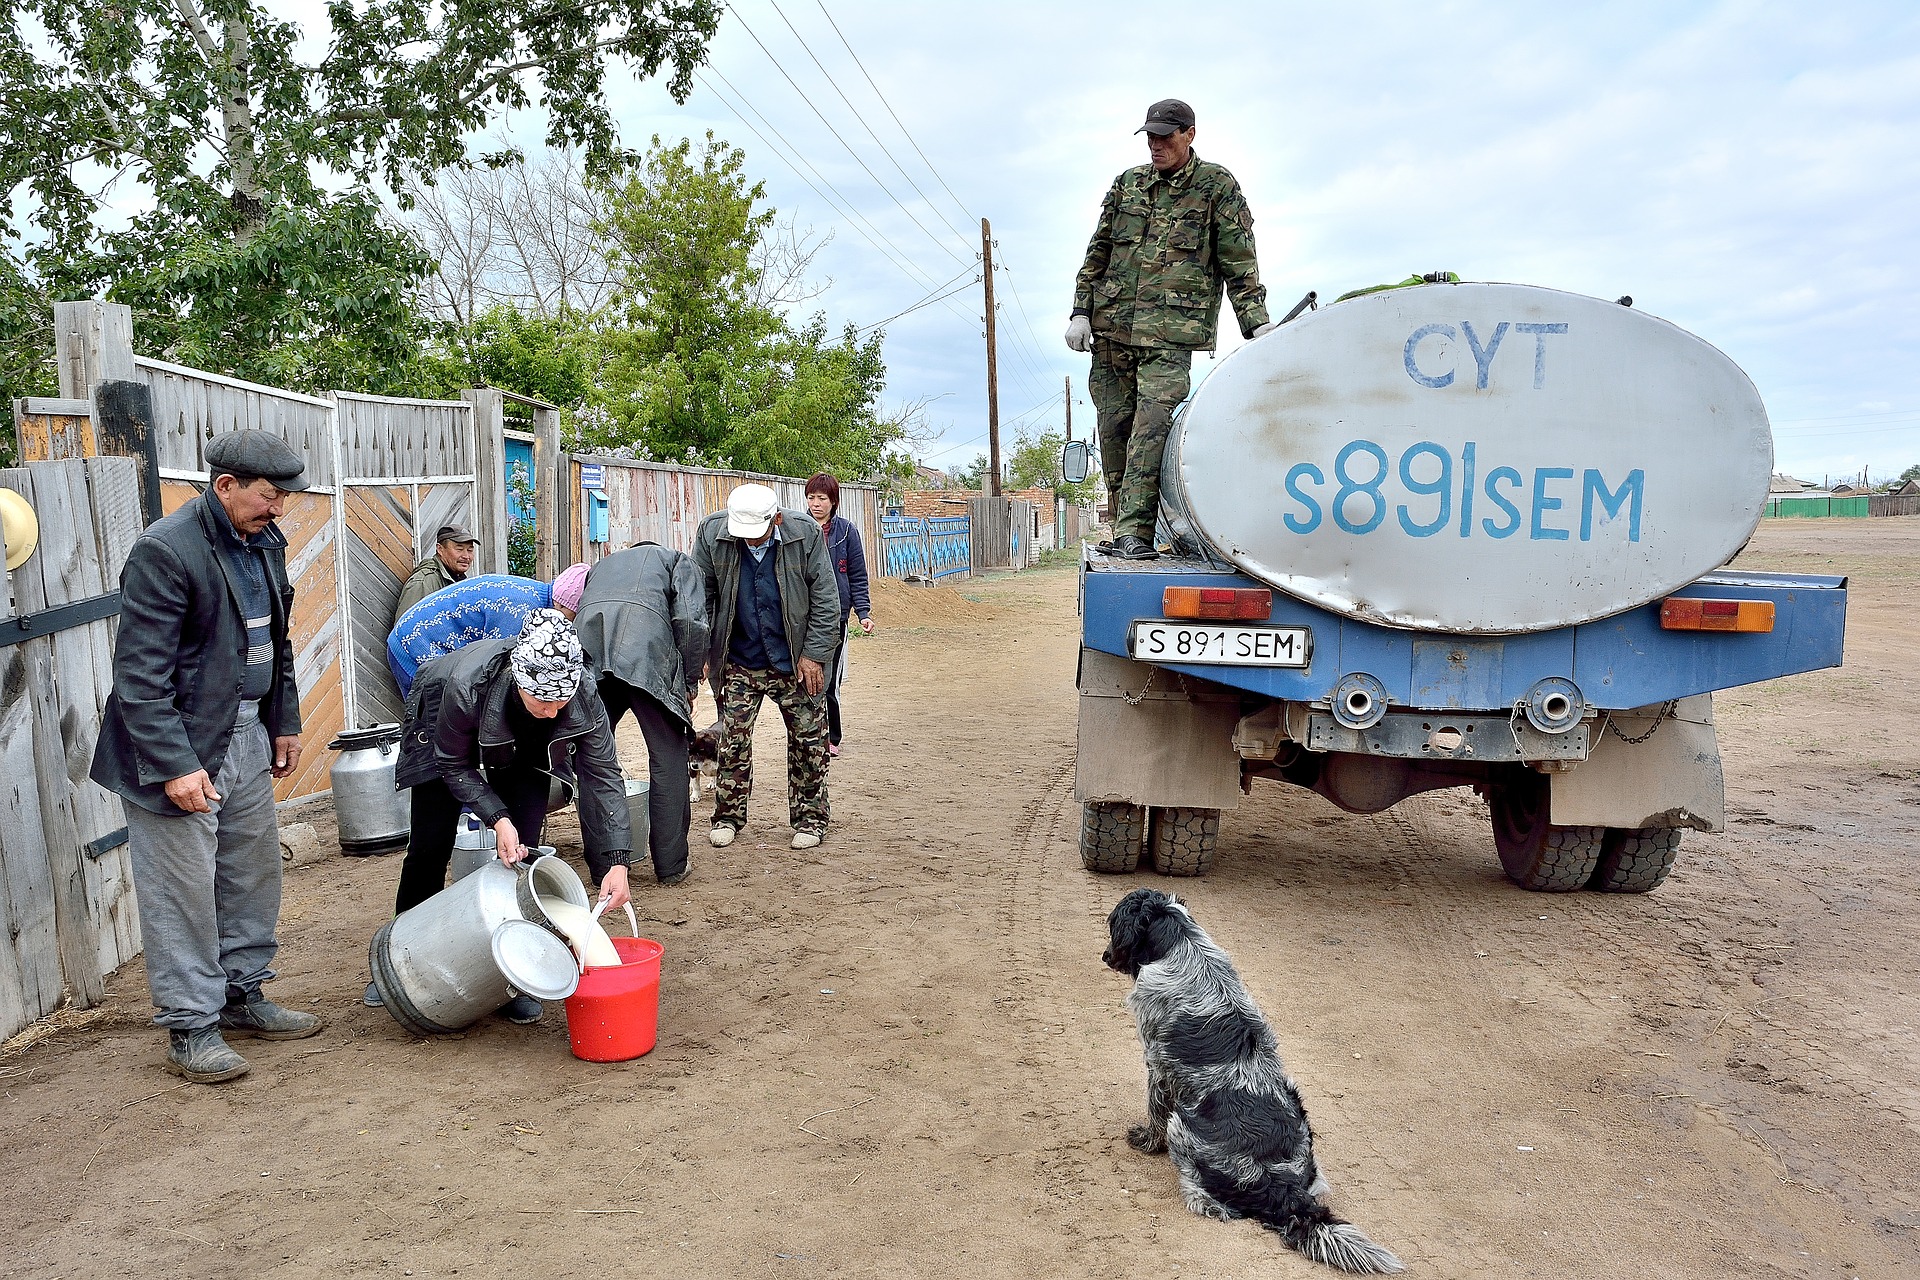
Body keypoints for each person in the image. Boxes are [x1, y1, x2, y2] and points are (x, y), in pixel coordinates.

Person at [91, 429, 322, 1083]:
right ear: (225, 486)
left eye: (282, 497)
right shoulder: (166, 551)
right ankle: (191, 1028)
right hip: (181, 746)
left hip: (247, 732)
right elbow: (139, 678)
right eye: (269, 495)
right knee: (180, 892)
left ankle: (242, 997)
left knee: (252, 876)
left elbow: (276, 644)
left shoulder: (263, 542)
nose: (279, 508)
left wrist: (284, 721)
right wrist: (174, 764)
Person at [378, 610, 632, 1023]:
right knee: (429, 844)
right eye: (543, 700)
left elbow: (603, 778)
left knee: (522, 856)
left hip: (522, 752)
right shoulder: (464, 688)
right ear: (519, 679)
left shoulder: (583, 696)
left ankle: (515, 974)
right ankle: (401, 952)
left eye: (560, 701)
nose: (552, 711)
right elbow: (453, 765)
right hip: (441, 725)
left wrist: (616, 860)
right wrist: (496, 816)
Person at [1067, 98, 1276, 560]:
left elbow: (1239, 263)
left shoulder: (1216, 187)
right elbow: (1097, 252)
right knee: (1114, 431)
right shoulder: (1128, 184)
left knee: (1151, 428)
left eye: (1166, 136)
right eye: (1151, 137)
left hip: (1170, 337)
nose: (1156, 145)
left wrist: (1257, 327)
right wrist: (1080, 311)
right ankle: (1128, 531)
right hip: (1112, 331)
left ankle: (1136, 536)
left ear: (1190, 134)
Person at [691, 483, 840, 851]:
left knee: (809, 741)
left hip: (795, 660)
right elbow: (700, 599)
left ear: (776, 520)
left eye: (758, 535)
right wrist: (700, 656)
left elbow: (826, 599)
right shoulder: (713, 534)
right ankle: (727, 817)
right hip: (739, 659)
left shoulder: (804, 534)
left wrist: (814, 654)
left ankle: (810, 819)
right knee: (732, 740)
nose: (752, 543)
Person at [574, 542, 708, 886]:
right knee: (668, 757)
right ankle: (671, 864)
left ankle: (603, 867)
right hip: (646, 654)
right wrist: (689, 681)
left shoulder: (602, 564)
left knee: (592, 760)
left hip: (589, 654)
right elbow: (691, 621)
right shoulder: (677, 561)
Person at [385, 564, 588, 698]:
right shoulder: (521, 611)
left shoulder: (533, 594)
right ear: (562, 605)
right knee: (432, 728)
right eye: (575, 615)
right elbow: (494, 668)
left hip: (419, 639)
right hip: (415, 646)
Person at [803, 473, 874, 757]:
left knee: (830, 680)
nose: (816, 504)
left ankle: (831, 736)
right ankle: (807, 734)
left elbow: (857, 575)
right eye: (811, 498)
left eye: (822, 498)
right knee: (803, 678)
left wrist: (863, 611)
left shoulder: (846, 531)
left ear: (833, 501)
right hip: (804, 616)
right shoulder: (800, 528)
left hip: (836, 617)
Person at [392, 523, 480, 625]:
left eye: (470, 550)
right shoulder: (424, 582)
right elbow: (404, 629)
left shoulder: (459, 581)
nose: (466, 556)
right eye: (459, 549)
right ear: (440, 549)